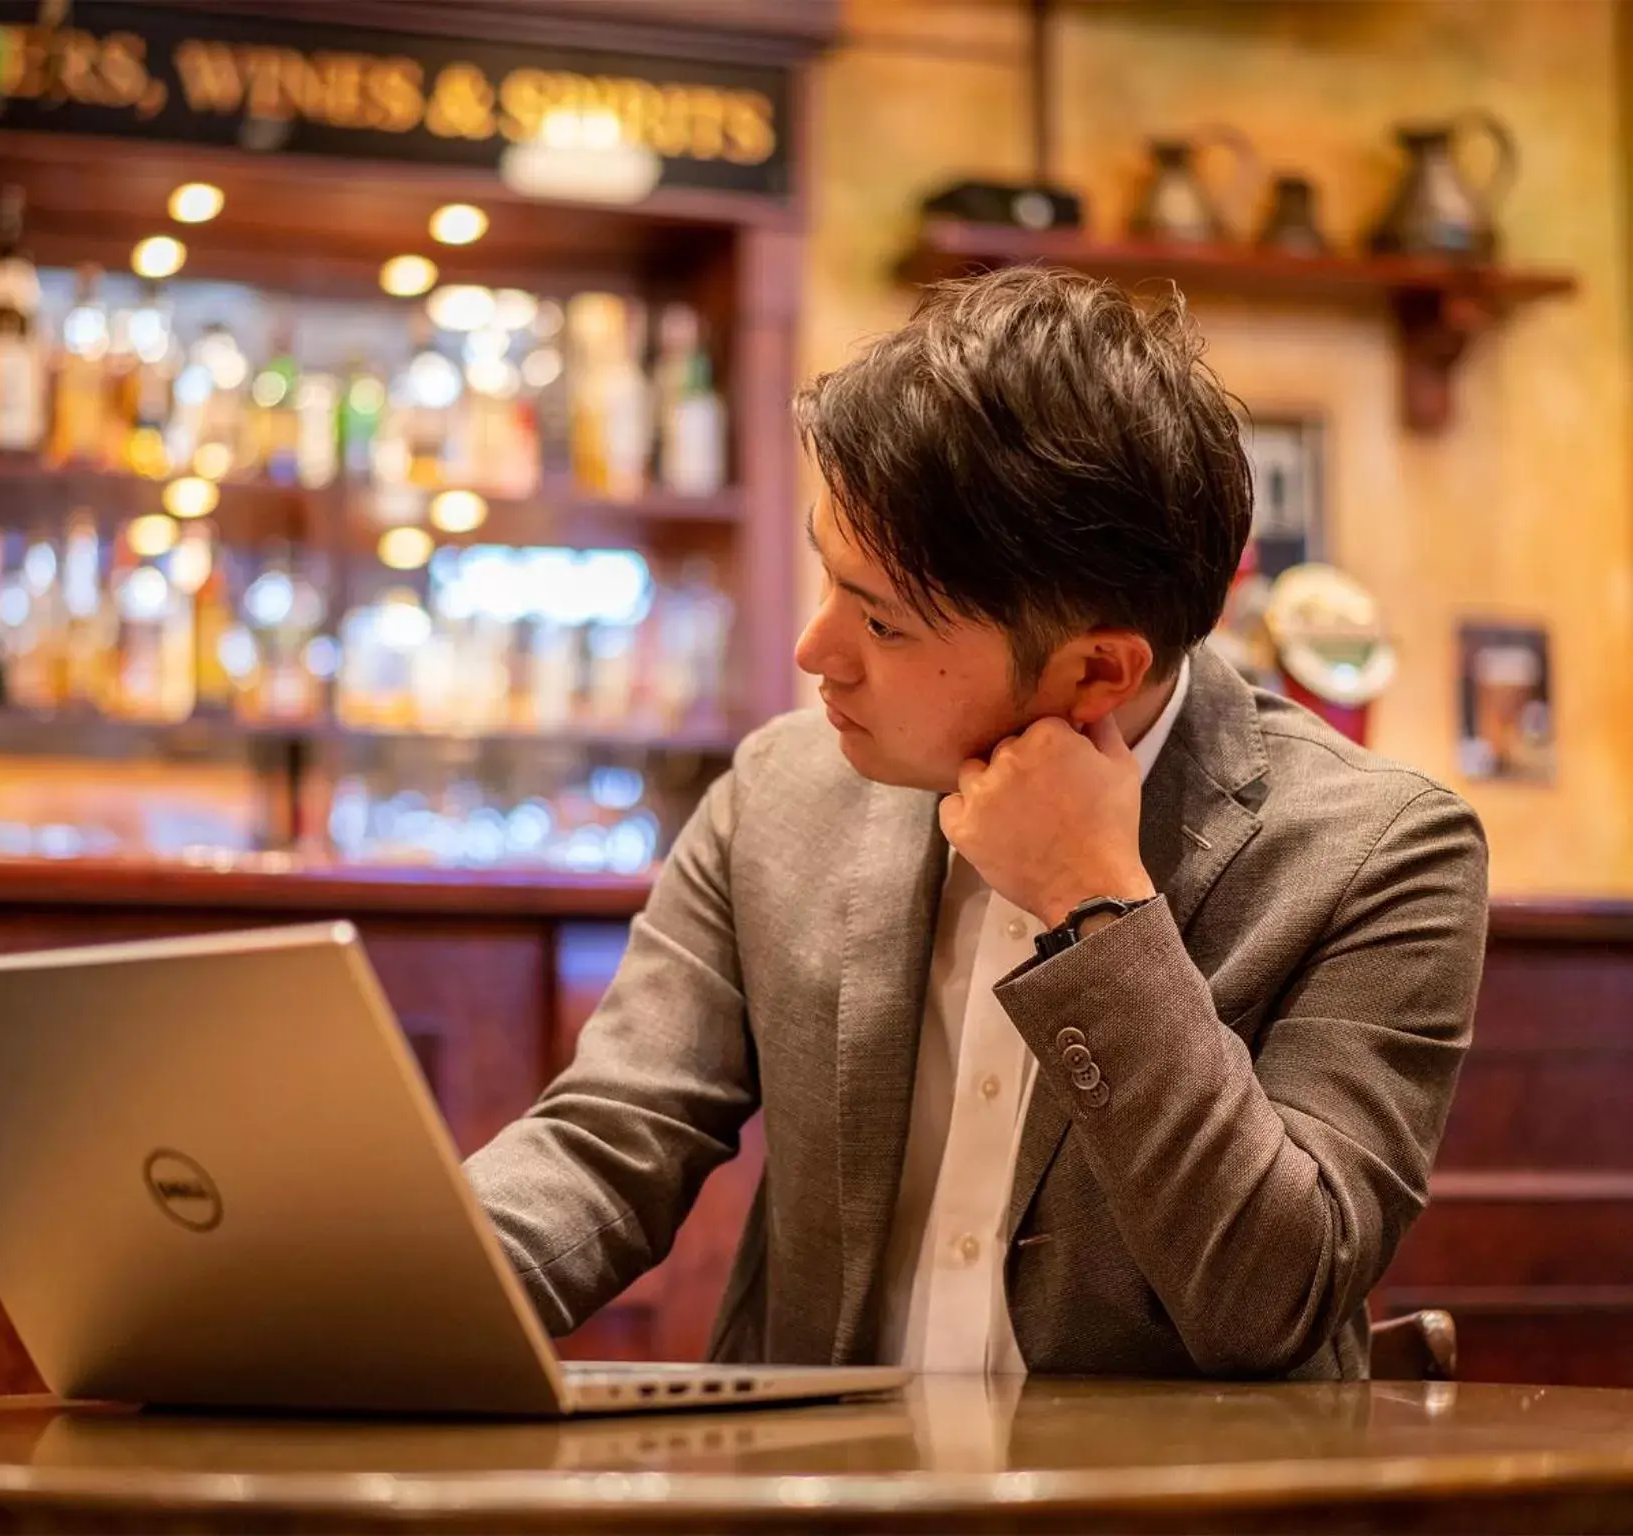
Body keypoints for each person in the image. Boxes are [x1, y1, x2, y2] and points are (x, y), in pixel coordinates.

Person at [464, 267, 1489, 1380]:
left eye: (883, 622)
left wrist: (1095, 910)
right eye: (826, 576)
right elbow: (612, 1140)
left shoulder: (1382, 855)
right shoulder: (780, 789)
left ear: (1099, 668)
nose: (814, 651)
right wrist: (386, 1290)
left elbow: (1269, 1300)